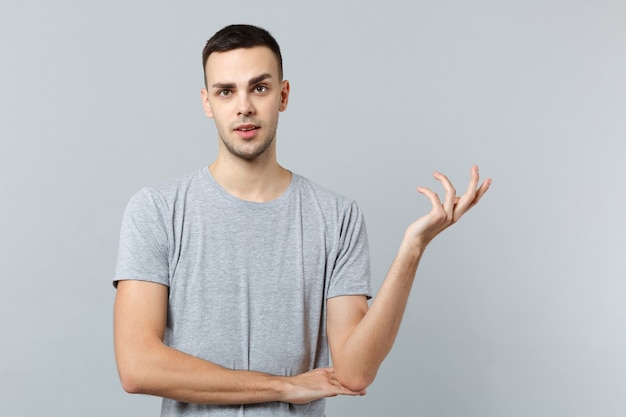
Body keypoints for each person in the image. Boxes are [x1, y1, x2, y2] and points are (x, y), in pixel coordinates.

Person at [113, 24, 491, 417]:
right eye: (226, 91)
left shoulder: (336, 217)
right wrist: (282, 386)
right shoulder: (156, 210)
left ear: (284, 95)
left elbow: (355, 372)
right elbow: (137, 367)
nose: (244, 106)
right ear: (207, 102)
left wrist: (413, 249)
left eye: (259, 88)